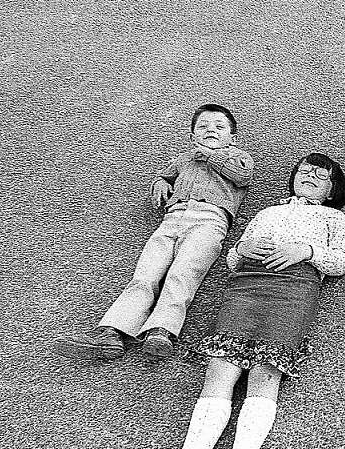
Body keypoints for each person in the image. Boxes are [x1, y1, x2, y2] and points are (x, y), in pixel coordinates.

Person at [111, 154, 345, 449]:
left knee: (265, 373)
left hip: (294, 289)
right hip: (245, 286)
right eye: (304, 170)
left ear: (331, 191)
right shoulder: (268, 212)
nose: (310, 175)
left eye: (321, 175)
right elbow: (232, 258)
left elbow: (343, 259)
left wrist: (306, 251)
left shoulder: (333, 218)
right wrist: (241, 251)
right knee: (219, 370)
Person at [54, 103, 255, 360]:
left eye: (219, 127)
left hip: (209, 220)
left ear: (232, 138)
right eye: (203, 126)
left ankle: (161, 330)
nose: (210, 130)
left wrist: (208, 155)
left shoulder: (238, 155)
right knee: (145, 275)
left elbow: (241, 176)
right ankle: (112, 332)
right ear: (192, 136)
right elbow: (165, 175)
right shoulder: (184, 158)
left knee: (183, 273)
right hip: (172, 218)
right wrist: (160, 183)